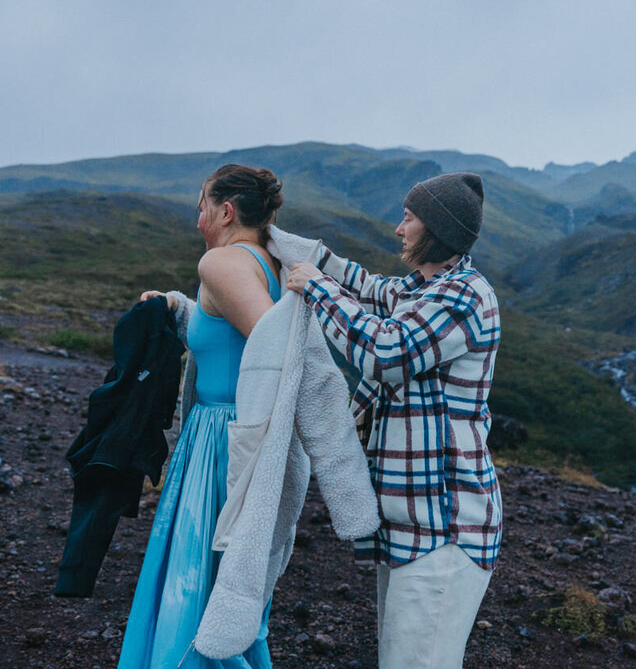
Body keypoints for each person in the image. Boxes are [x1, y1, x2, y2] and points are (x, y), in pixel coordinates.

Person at [285, 171, 502, 669]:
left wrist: (316, 287)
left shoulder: (464, 296)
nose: (397, 229)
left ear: (437, 229)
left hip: (445, 528)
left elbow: (387, 353)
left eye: (408, 218)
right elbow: (364, 285)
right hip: (411, 526)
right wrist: (285, 246)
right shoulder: (423, 287)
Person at [121, 163, 284, 669]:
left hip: (222, 439)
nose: (197, 221)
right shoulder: (267, 260)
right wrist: (180, 309)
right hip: (233, 432)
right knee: (228, 585)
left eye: (201, 208)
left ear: (227, 210)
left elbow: (270, 344)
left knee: (199, 584)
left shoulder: (220, 263)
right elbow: (233, 334)